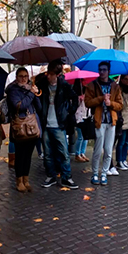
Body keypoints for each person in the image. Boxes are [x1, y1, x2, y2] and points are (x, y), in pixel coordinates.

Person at [35, 60, 79, 189]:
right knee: (47, 153)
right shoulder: (42, 84)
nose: (49, 76)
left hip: (59, 124)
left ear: (57, 75)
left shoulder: (64, 85)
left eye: (52, 74)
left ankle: (67, 177)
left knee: (64, 153)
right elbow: (35, 90)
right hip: (46, 124)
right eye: (48, 73)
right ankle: (51, 176)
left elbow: (74, 97)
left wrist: (70, 111)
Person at [84, 61, 123, 186]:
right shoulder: (93, 85)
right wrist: (101, 99)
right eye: (100, 69)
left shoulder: (115, 86)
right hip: (99, 121)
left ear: (109, 71)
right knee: (97, 149)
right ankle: (95, 173)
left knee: (108, 150)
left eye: (104, 69)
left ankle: (104, 173)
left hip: (111, 122)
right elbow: (87, 103)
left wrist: (110, 103)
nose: (102, 72)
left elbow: (120, 105)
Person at [6, 67, 42, 193]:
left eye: (25, 76)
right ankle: (19, 180)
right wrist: (31, 94)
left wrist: (36, 94)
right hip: (20, 127)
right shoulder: (12, 90)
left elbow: (39, 107)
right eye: (21, 76)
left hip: (32, 126)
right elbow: (19, 106)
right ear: (16, 77)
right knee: (20, 155)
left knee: (28, 156)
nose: (23, 79)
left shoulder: (29, 88)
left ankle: (26, 179)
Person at [73, 78, 90, 162]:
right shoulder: (76, 95)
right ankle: (78, 153)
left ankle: (82, 153)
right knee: (80, 136)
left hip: (86, 116)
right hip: (79, 117)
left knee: (85, 137)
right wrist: (79, 100)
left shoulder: (87, 92)